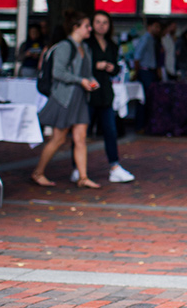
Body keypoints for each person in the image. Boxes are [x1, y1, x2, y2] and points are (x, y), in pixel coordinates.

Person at [30, 10, 102, 189]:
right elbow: (58, 73)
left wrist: (91, 81)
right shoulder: (64, 46)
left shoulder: (85, 48)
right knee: (58, 138)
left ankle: (83, 177)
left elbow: (86, 73)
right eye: (87, 26)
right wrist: (81, 81)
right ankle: (38, 173)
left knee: (80, 138)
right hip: (65, 98)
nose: (90, 29)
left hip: (79, 97)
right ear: (75, 27)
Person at [74, 10, 136, 184]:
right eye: (98, 22)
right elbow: (79, 66)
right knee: (81, 132)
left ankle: (114, 166)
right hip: (88, 92)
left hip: (105, 93)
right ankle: (76, 167)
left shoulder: (112, 45)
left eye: (105, 22)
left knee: (111, 130)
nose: (101, 26)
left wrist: (112, 68)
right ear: (92, 25)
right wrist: (96, 65)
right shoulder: (86, 44)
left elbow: (117, 69)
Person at [132, 18, 162, 131]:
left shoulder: (153, 40)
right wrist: (137, 72)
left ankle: (146, 125)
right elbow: (137, 57)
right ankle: (140, 126)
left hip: (150, 72)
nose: (158, 29)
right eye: (156, 26)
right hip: (145, 72)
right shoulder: (145, 39)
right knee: (143, 99)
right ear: (149, 27)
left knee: (149, 99)